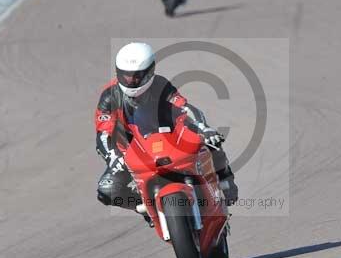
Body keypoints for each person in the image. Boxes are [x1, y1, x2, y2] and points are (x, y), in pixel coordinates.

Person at [95, 42, 238, 223]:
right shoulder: (109, 96)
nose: (130, 81)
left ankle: (226, 179)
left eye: (136, 76)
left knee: (210, 141)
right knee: (107, 190)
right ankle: (145, 206)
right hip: (131, 153)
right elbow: (103, 134)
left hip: (168, 139)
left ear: (149, 71)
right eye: (125, 75)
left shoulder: (160, 85)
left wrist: (204, 128)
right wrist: (113, 157)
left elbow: (185, 108)